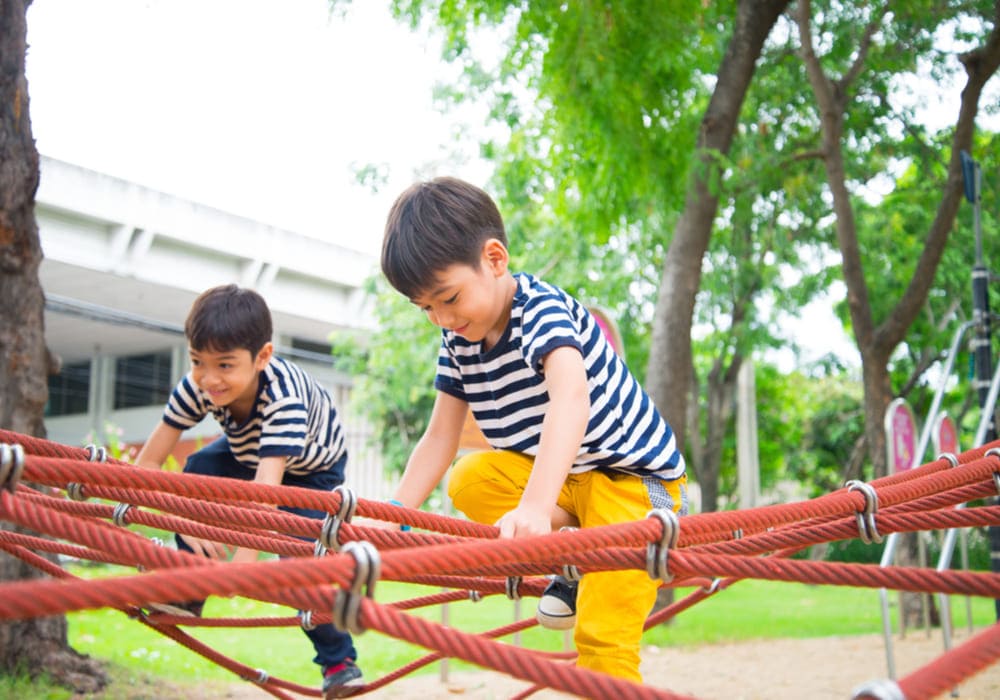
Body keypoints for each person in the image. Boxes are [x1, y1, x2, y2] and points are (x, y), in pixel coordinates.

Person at [379, 177, 688, 683]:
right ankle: (573, 558)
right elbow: (440, 438)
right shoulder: (457, 342)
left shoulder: (539, 310)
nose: (441, 318)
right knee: (470, 478)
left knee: (602, 632)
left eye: (449, 297)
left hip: (632, 482)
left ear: (495, 259)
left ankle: (581, 560)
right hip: (568, 483)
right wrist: (393, 515)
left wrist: (536, 508)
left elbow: (570, 400)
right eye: (426, 309)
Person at [134, 284, 362, 698]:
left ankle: (339, 661)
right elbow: (147, 465)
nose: (209, 378)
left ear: (262, 357)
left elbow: (265, 496)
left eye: (224, 365)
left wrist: (241, 568)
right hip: (250, 454)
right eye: (198, 361)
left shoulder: (282, 399)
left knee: (300, 556)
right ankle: (186, 592)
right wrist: (187, 522)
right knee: (199, 468)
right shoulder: (198, 385)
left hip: (310, 471)